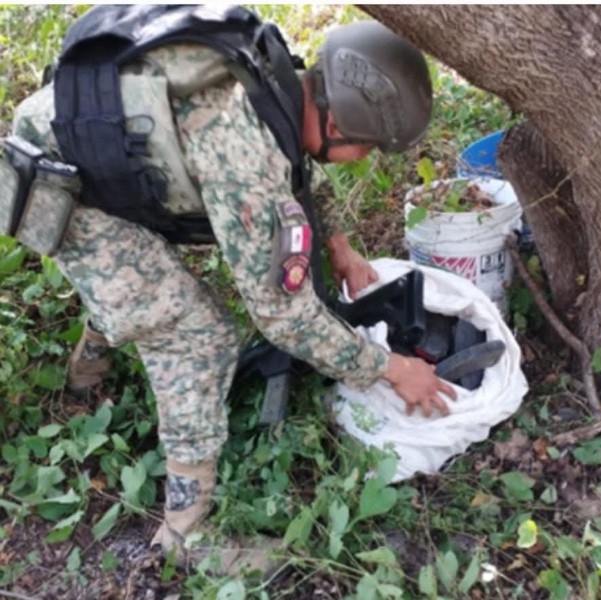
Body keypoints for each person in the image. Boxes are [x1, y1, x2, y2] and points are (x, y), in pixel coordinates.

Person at [8, 6, 456, 576]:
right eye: (366, 148)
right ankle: (184, 535)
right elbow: (285, 320)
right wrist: (391, 369)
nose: (362, 160)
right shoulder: (244, 153)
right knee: (196, 336)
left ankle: (91, 365)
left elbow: (298, 166)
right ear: (339, 122)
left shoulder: (280, 81)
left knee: (143, 288)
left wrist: (339, 244)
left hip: (108, 152)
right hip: (65, 182)